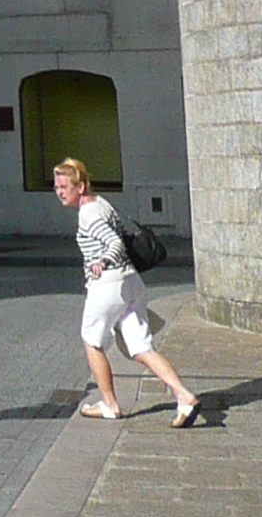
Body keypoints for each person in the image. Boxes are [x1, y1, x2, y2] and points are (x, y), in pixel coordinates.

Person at [54, 157, 201, 426]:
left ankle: (110, 404)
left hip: (107, 284)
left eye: (65, 186)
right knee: (141, 347)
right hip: (131, 282)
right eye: (57, 187)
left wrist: (103, 261)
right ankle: (184, 397)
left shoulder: (88, 212)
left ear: (81, 186)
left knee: (91, 341)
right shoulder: (102, 203)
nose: (61, 192)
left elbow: (113, 242)